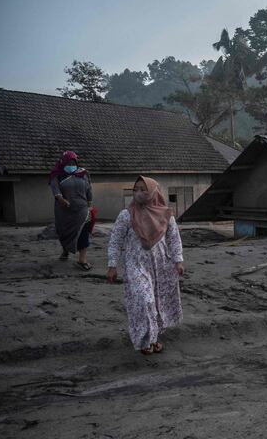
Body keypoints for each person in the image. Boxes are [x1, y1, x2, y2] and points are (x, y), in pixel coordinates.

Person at [106, 176, 184, 355]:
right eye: (135, 190)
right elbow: (115, 240)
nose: (138, 193)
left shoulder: (166, 215)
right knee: (144, 300)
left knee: (157, 302)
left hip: (161, 266)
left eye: (143, 189)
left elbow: (174, 239)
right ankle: (145, 339)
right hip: (136, 264)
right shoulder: (126, 215)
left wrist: (178, 261)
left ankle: (153, 338)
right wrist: (112, 265)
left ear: (153, 192)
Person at [49, 151, 94, 270]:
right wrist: (60, 199)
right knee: (64, 232)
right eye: (68, 162)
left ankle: (82, 260)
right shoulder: (57, 174)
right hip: (64, 211)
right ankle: (66, 250)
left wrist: (90, 204)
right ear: (62, 162)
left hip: (82, 210)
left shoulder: (83, 173)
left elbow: (89, 189)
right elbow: (55, 189)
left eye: (73, 162)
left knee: (83, 233)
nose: (71, 164)